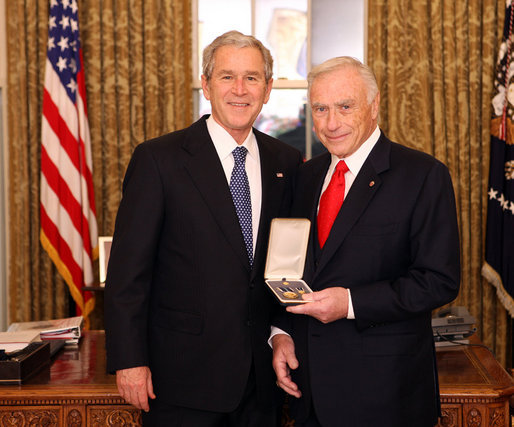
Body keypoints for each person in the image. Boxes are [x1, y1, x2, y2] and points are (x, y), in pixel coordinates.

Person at [104, 30, 303, 426]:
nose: (240, 89)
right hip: (180, 382)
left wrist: (282, 331)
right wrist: (130, 361)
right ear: (206, 85)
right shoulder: (158, 160)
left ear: (267, 89)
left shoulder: (287, 161)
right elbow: (128, 274)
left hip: (260, 382)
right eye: (227, 76)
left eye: (252, 78)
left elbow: (286, 263)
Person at [271, 56, 460, 427]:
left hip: (385, 396)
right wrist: (281, 334)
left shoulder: (423, 175)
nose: (331, 123)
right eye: (321, 109)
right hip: (308, 393)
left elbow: (439, 280)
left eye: (345, 106)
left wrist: (351, 303)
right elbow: (288, 266)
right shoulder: (305, 176)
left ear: (374, 106)